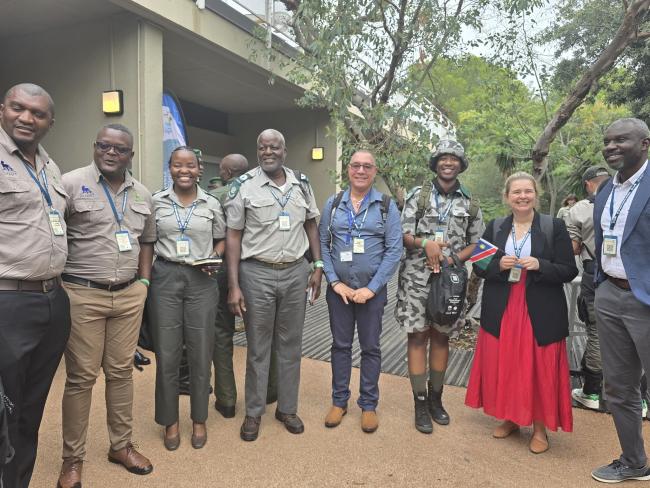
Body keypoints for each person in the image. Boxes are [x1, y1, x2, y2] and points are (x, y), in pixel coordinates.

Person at [58, 124, 155, 488]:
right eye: (104, 146)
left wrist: (143, 283)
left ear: (131, 154)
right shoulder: (70, 184)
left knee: (121, 374)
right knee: (81, 378)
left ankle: (122, 446)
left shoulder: (142, 193)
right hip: (82, 293)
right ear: (95, 147)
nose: (111, 153)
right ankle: (72, 460)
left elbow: (147, 240)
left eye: (120, 149)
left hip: (129, 295)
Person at [465, 171, 578, 454]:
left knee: (537, 367)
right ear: (507, 197)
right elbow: (479, 267)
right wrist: (499, 266)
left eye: (527, 191)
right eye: (516, 192)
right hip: (504, 306)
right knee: (509, 363)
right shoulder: (496, 226)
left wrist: (541, 265)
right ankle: (512, 418)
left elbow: (569, 270)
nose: (522, 196)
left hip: (539, 309)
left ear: (536, 195)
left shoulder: (555, 227)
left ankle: (539, 428)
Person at [225, 129, 322, 442]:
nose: (268, 151)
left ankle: (287, 409)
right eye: (262, 147)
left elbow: (311, 224)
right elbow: (233, 236)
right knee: (258, 348)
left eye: (274, 147)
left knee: (291, 346)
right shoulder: (243, 186)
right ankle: (253, 412)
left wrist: (318, 265)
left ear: (284, 150)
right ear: (257, 151)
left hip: (296, 272)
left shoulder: (301, 183)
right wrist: (234, 284)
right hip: (257, 274)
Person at [0, 83, 71, 488]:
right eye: (18, 108)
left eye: (38, 113)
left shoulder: (49, 166)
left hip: (51, 301)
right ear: (2, 110)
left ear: (50, 123)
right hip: (7, 302)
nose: (27, 118)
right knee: (4, 412)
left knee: (29, 410)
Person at [395, 139, 483, 434]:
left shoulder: (470, 202)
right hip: (417, 279)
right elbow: (401, 234)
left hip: (450, 282)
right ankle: (419, 402)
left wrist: (455, 258)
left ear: (460, 164)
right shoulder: (417, 196)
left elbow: (477, 242)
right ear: (435, 164)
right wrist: (425, 243)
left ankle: (436, 399)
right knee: (418, 337)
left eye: (454, 159)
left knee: (442, 337)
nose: (448, 163)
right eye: (443, 158)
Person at [148, 146, 226, 450]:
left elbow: (221, 239)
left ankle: (199, 419)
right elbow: (148, 241)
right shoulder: (156, 202)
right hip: (166, 277)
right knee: (167, 353)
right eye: (178, 165)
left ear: (199, 169)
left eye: (190, 166)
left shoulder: (211, 203)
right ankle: (170, 422)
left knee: (200, 351)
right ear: (170, 168)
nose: (185, 171)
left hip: (202, 279)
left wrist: (214, 257)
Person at [319, 150, 402, 433]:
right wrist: (334, 281)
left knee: (370, 348)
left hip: (372, 294)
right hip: (338, 291)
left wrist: (372, 288)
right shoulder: (333, 204)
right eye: (356, 165)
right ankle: (339, 401)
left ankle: (368, 405)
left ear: (375, 171)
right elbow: (323, 245)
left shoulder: (386, 206)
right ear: (348, 170)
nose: (361, 170)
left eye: (367, 166)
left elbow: (394, 251)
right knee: (340, 346)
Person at [590, 118, 650, 483]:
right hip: (610, 294)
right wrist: (601, 285)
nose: (611, 146)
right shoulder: (604, 191)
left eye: (620, 140)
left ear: (644, 144)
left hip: (646, 301)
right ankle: (634, 462)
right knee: (619, 387)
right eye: (607, 141)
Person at [209, 154, 278, 418]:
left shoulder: (215, 194)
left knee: (221, 332)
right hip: (253, 269)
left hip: (220, 269)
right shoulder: (258, 189)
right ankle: (269, 390)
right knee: (261, 332)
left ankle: (226, 400)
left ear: (225, 172)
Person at [565, 166, 610, 411]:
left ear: (587, 184)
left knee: (595, 332)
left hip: (595, 274)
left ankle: (592, 392)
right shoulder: (628, 201)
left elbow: (573, 247)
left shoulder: (580, 209)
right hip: (633, 275)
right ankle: (642, 397)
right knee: (636, 334)